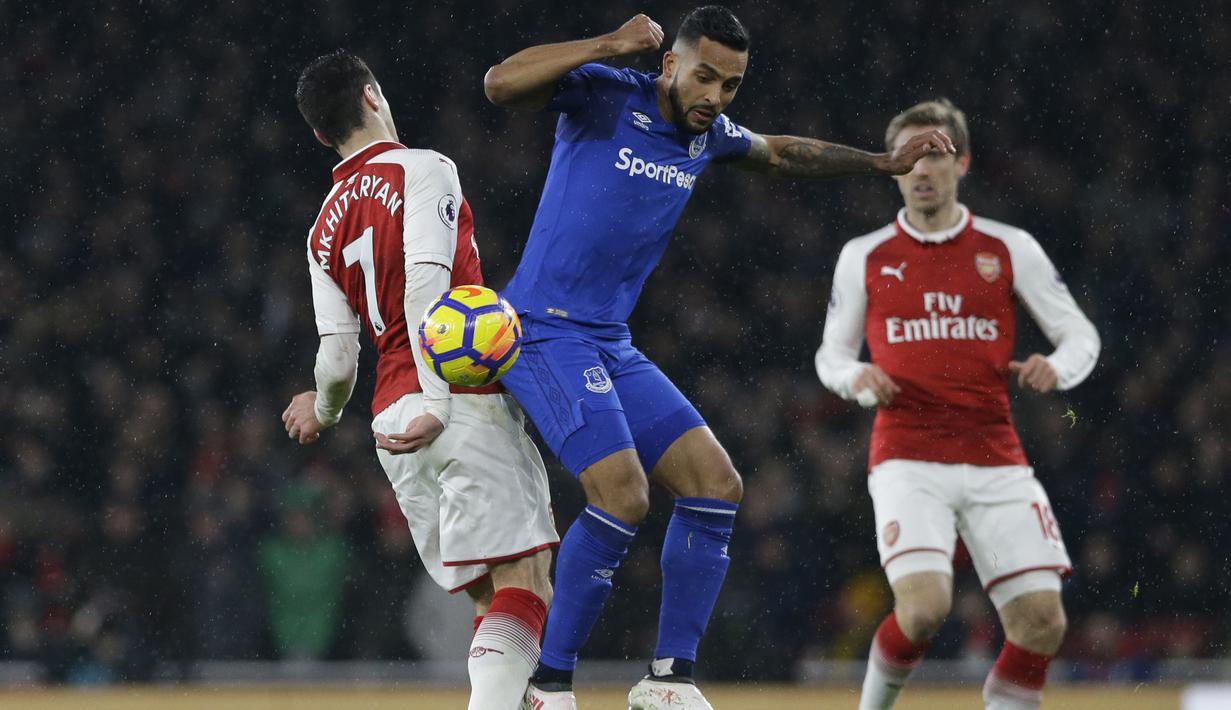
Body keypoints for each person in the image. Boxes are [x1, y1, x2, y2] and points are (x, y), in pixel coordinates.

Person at [483, 7, 954, 709]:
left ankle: (666, 681)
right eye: (703, 76)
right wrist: (611, 42)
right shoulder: (609, 92)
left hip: (610, 342)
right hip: (543, 329)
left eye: (730, 86)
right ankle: (546, 684)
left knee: (715, 482)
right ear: (669, 64)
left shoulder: (706, 138)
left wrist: (880, 162)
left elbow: (781, 152)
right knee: (623, 494)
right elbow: (498, 83)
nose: (715, 97)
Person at [281, 50, 559, 710]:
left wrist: (321, 411)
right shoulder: (423, 168)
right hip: (454, 399)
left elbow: (339, 357)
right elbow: (428, 286)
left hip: (389, 423)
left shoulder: (322, 226)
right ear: (373, 96)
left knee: (494, 600)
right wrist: (438, 396)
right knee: (528, 578)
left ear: (321, 134)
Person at [815, 98, 1101, 710]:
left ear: (963, 162)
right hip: (907, 457)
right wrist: (855, 378)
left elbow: (1081, 336)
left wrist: (1061, 366)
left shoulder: (1007, 248)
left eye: (934, 154)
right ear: (891, 169)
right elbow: (829, 357)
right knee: (923, 610)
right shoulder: (863, 256)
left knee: (1043, 622)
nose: (920, 168)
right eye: (906, 157)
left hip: (996, 456)